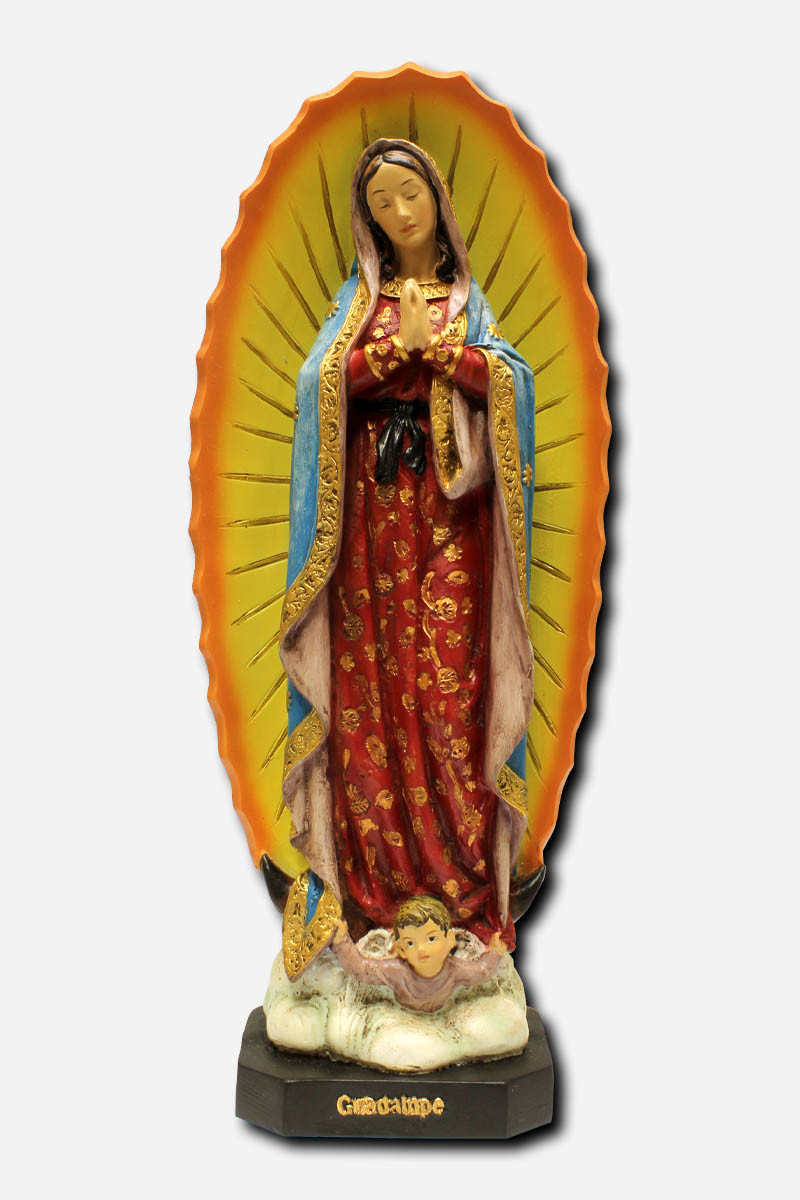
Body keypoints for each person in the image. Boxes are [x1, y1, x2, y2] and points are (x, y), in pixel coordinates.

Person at [279, 138, 535, 971]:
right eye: (382, 202)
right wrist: (394, 351)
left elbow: (512, 385)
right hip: (368, 531)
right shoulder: (359, 302)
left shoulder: (468, 303)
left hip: (451, 522)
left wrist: (445, 353)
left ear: (438, 196)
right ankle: (373, 895)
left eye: (410, 194)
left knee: (450, 695)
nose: (399, 213)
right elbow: (319, 386)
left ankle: (464, 894)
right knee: (374, 695)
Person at [329, 896, 506, 1013]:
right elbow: (361, 969)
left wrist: (495, 953)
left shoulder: (454, 970)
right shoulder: (397, 972)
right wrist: (342, 942)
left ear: (450, 940)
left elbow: (481, 972)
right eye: (410, 943)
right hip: (401, 1017)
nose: (421, 949)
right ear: (401, 950)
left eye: (431, 939)